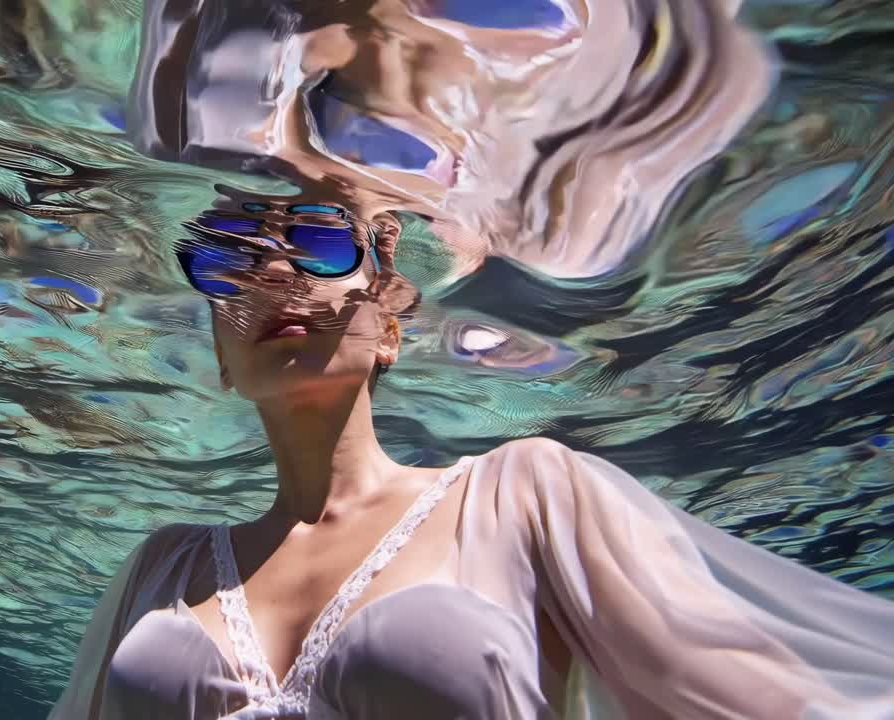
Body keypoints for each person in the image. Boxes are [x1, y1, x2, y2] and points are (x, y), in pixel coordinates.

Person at [47, 200, 894, 719]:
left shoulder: (526, 495)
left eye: (318, 240)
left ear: (390, 331)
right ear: (222, 361)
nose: (272, 268)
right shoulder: (161, 568)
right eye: (232, 251)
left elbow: (775, 704)